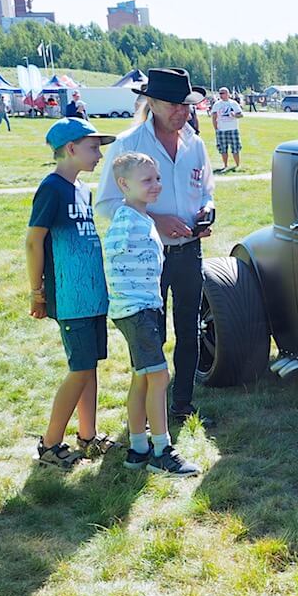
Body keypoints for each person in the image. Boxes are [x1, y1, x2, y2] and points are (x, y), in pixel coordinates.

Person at [96, 67, 216, 428]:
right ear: (151, 102)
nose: (183, 112)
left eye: (187, 105)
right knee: (152, 332)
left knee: (190, 326)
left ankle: (182, 403)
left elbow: (206, 189)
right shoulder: (129, 144)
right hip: (147, 258)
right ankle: (153, 409)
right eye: (175, 105)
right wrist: (156, 219)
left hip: (189, 251)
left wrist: (207, 210)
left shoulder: (195, 143)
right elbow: (106, 204)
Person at [25, 118, 119, 468]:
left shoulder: (82, 190)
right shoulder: (52, 188)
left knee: (89, 366)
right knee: (79, 369)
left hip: (93, 296)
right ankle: (50, 444)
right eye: (94, 147)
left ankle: (88, 436)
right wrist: (38, 293)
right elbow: (34, 241)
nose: (98, 155)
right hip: (70, 298)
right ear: (71, 149)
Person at [104, 152, 200, 476]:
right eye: (147, 180)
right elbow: (112, 262)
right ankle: (162, 450)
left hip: (143, 308)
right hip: (137, 311)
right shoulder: (125, 221)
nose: (156, 185)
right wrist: (131, 304)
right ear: (123, 184)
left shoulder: (141, 218)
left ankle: (137, 449)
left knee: (143, 377)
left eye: (157, 178)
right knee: (159, 376)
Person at [210, 86, 243, 170]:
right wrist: (216, 128)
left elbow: (241, 115)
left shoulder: (233, 103)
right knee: (223, 149)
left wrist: (234, 115)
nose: (221, 95)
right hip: (221, 130)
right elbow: (214, 117)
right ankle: (225, 165)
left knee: (235, 148)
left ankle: (237, 165)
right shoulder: (217, 104)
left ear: (228, 94)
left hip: (233, 129)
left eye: (223, 93)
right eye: (220, 93)